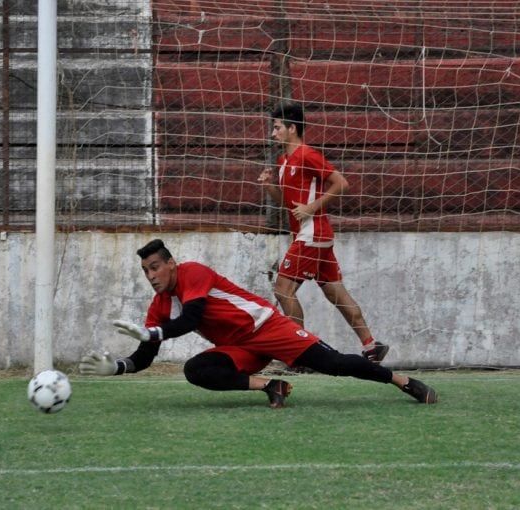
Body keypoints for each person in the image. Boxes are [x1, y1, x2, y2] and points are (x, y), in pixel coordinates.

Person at [78, 239, 437, 408]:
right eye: (145, 271)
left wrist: (153, 332)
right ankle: (270, 385)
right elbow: (144, 357)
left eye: (155, 267)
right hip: (240, 349)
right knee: (197, 369)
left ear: (171, 263)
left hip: (266, 327)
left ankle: (404, 382)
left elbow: (192, 318)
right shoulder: (157, 307)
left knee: (335, 365)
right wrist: (119, 367)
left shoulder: (193, 273)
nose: (151, 276)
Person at [257, 102, 389, 363]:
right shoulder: (283, 161)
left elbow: (341, 183)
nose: (273, 134)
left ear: (292, 129)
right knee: (335, 293)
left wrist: (312, 207)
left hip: (312, 235)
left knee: (283, 289)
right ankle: (371, 345)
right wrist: (270, 186)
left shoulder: (307, 155)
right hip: (314, 237)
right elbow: (289, 201)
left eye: (277, 127)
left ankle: (301, 353)